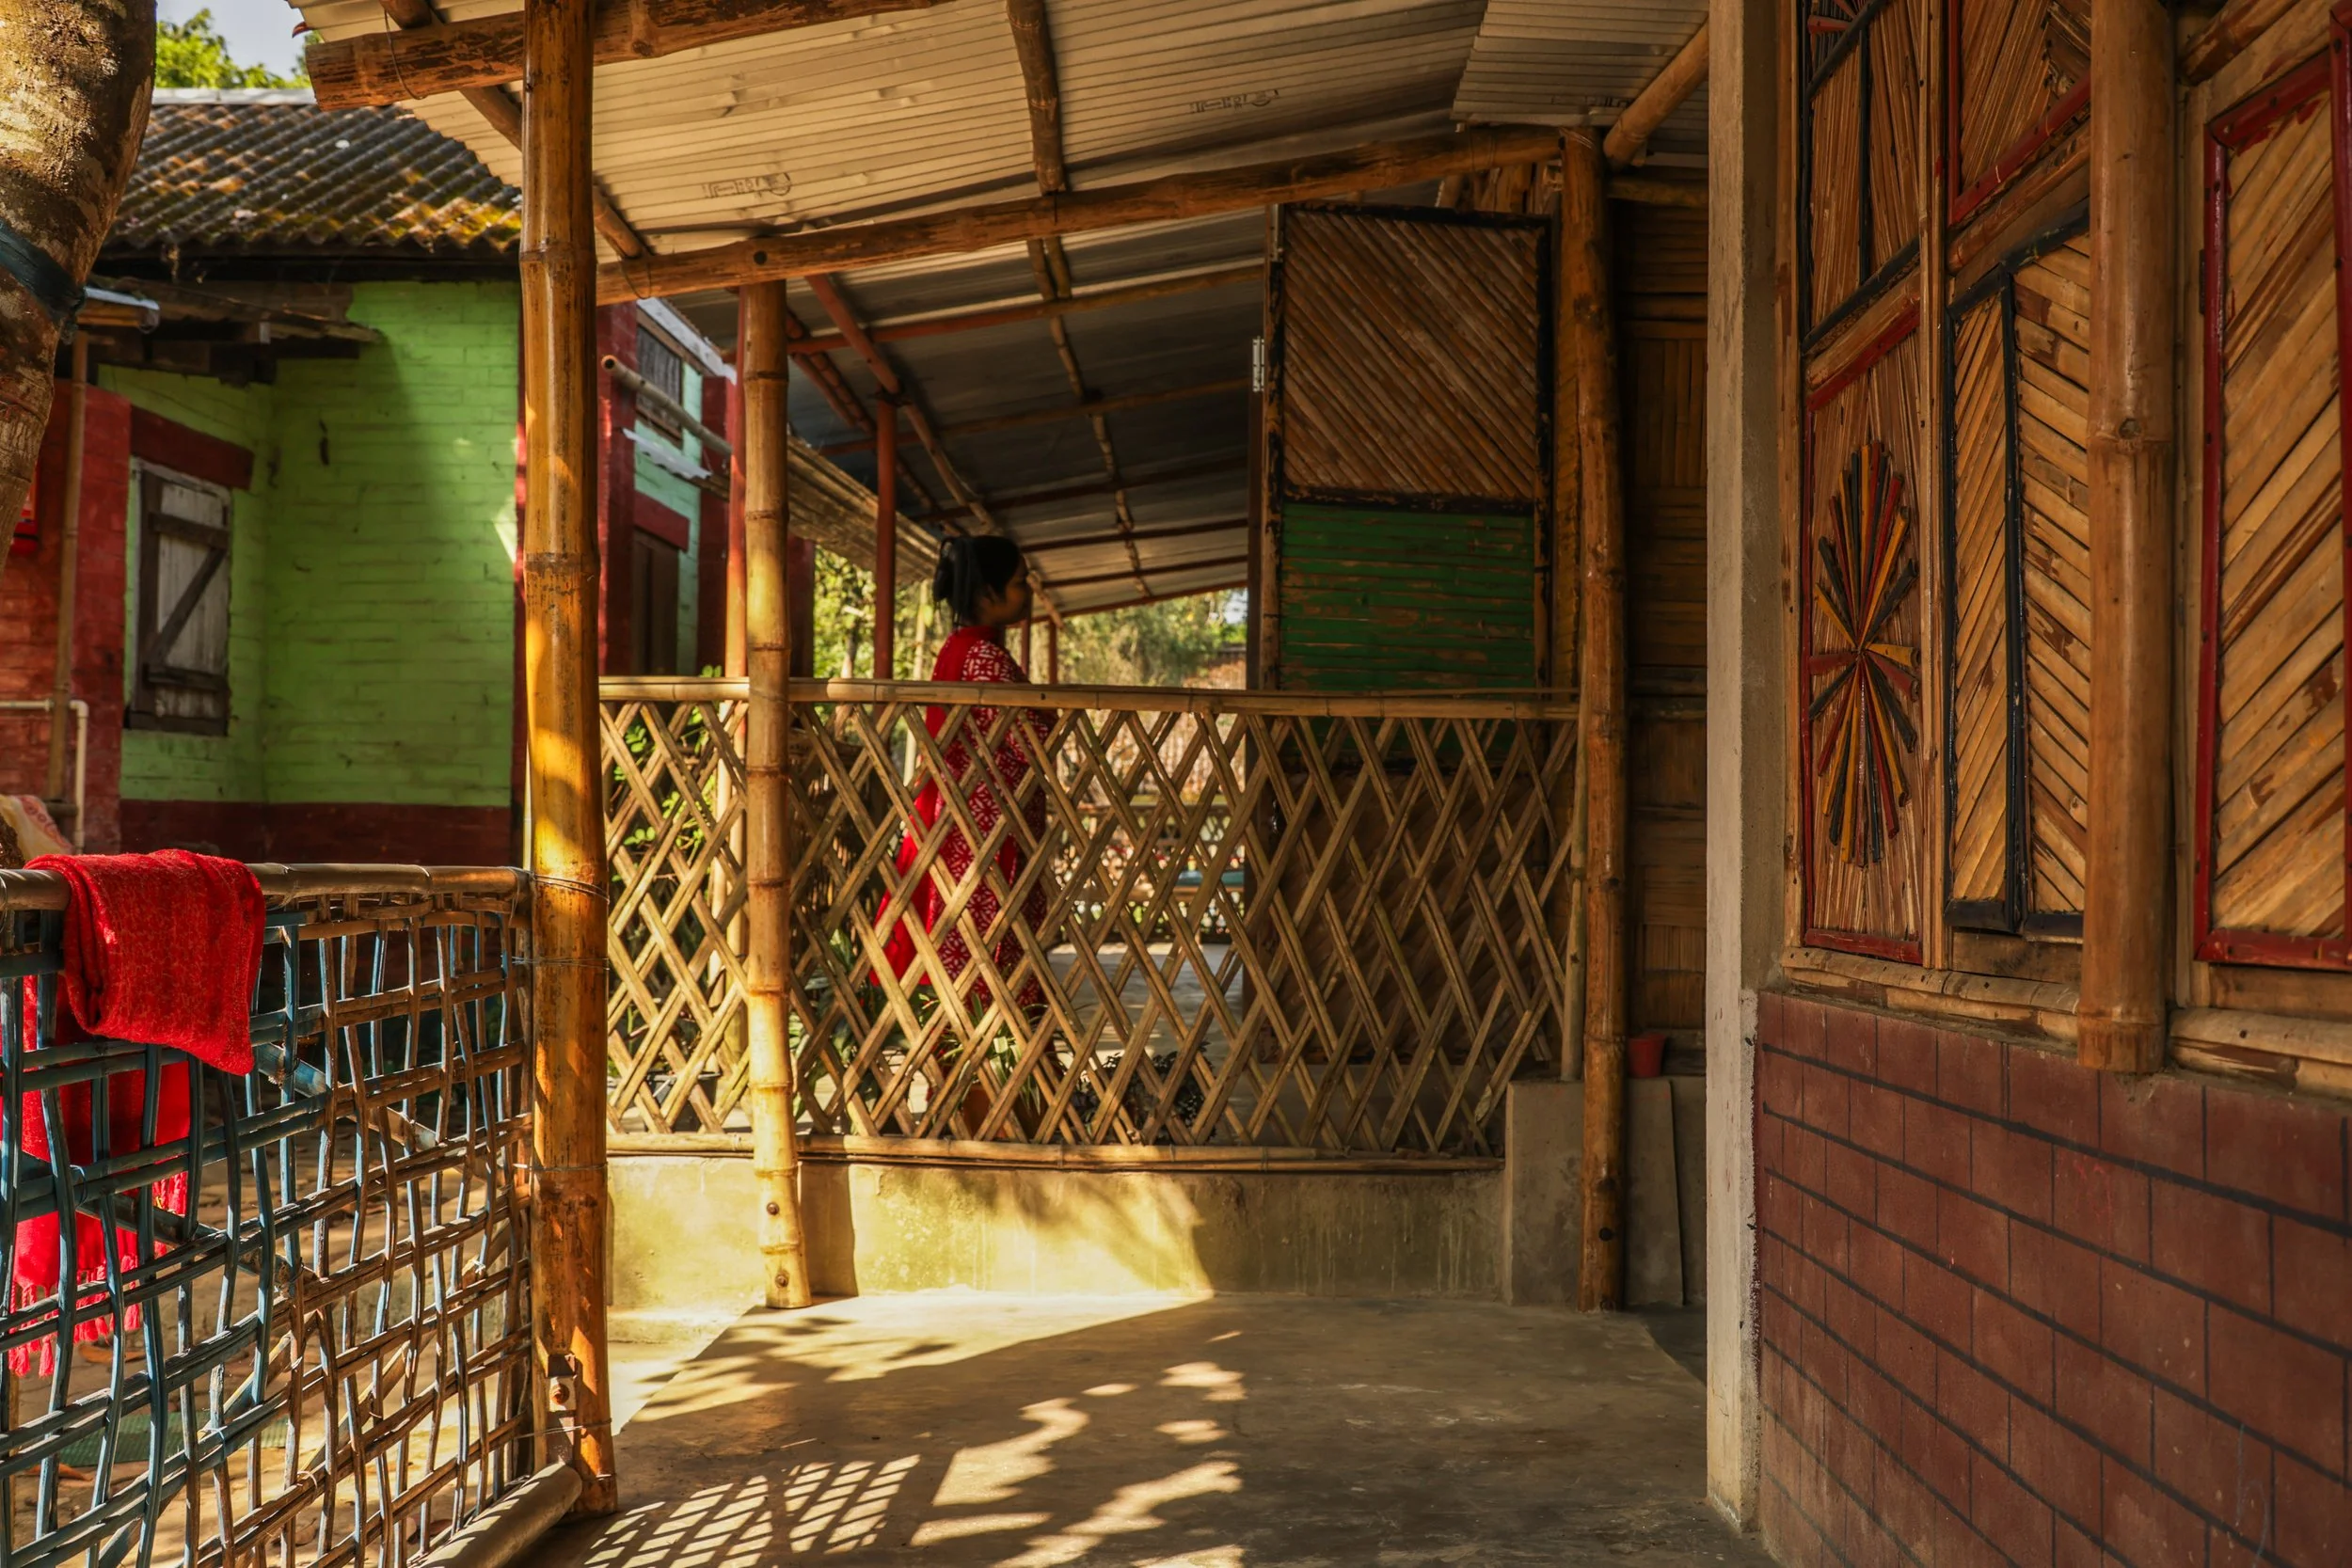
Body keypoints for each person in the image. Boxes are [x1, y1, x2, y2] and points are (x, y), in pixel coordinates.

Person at [878, 535, 1052, 1020]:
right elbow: (1031, 740)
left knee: (959, 957)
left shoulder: (959, 649)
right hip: (986, 837)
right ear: (987, 592)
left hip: (963, 829)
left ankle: (964, 1059)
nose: (1028, 592)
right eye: (1019, 583)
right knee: (988, 959)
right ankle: (985, 1063)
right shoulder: (986, 659)